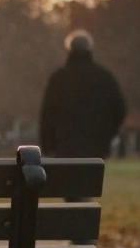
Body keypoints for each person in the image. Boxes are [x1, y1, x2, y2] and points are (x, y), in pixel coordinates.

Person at [39, 30, 128, 160]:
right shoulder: (104, 77)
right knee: (92, 178)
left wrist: (47, 144)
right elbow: (120, 110)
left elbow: (47, 113)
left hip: (65, 144)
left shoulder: (59, 78)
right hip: (96, 144)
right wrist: (108, 134)